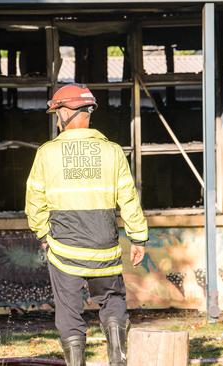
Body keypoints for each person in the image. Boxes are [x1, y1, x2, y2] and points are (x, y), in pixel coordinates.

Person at [25, 84, 148, 366]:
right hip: (104, 247)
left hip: (64, 250)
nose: (56, 120)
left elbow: (34, 201)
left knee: (68, 312)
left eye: (57, 113)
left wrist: (44, 235)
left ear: (68, 113)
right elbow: (128, 197)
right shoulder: (113, 151)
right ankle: (117, 357)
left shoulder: (47, 153)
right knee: (112, 301)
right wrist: (138, 238)